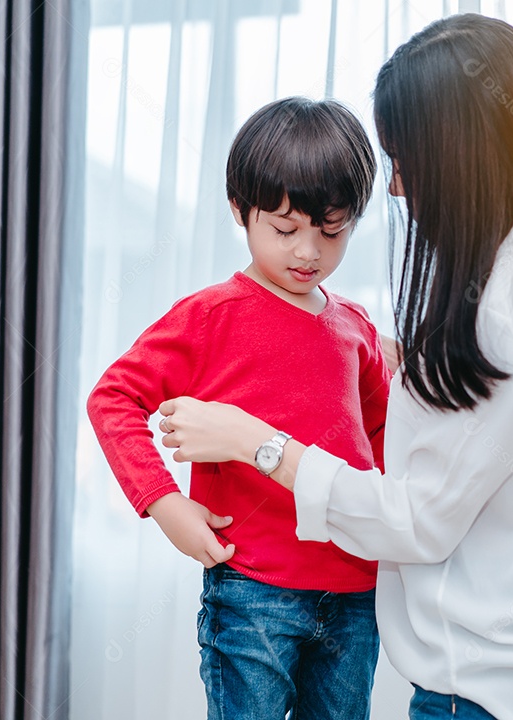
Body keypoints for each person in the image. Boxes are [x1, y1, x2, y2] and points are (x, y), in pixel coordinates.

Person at [157, 13, 513, 720]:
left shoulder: (490, 311)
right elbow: (478, 435)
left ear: (458, 155)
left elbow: (419, 518)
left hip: (487, 686)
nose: (400, 190)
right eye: (284, 229)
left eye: (402, 162)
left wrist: (256, 442)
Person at [86, 97, 390, 720]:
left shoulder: (355, 328)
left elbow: (384, 436)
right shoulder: (210, 316)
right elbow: (113, 398)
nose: (308, 251)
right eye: (285, 229)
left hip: (357, 593)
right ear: (239, 211)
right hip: (252, 591)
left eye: (332, 231)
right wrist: (164, 503)